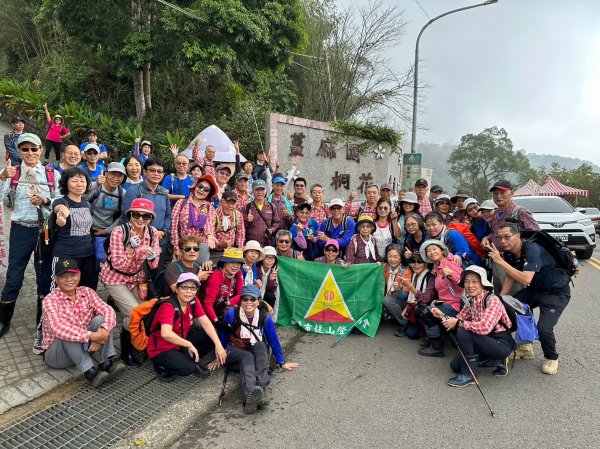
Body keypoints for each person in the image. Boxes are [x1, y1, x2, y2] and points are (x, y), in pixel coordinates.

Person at [487, 222, 570, 375]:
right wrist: (500, 299)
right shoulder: (510, 252)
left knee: (544, 328)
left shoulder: (532, 249)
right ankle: (525, 346)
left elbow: (526, 279)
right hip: (535, 290)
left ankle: (551, 357)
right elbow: (511, 276)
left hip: (555, 292)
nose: (503, 241)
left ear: (517, 236)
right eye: (499, 238)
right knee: (508, 305)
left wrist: (500, 262)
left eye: (507, 237)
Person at [0, 133, 60, 340]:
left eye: (34, 149)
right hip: (21, 229)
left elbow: (61, 202)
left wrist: (44, 200)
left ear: (41, 150)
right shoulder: (12, 172)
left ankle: (42, 322)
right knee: (14, 275)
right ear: (19, 151)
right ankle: (3, 320)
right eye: (25, 149)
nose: (30, 153)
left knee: (44, 276)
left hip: (44, 230)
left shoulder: (52, 174)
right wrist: (3, 177)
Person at [41, 259, 124, 388]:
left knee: (101, 320)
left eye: (73, 275)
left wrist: (103, 332)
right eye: (63, 276)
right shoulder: (50, 300)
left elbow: (108, 310)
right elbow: (58, 328)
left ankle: (106, 363)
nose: (69, 279)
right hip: (57, 355)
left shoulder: (87, 292)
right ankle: (90, 373)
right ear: (55, 278)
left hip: (84, 347)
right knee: (67, 332)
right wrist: (92, 336)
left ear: (79, 275)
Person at [218, 284, 299, 414]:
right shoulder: (232, 314)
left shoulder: (264, 318)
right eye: (245, 299)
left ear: (258, 301)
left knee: (261, 345)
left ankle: (259, 390)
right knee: (247, 356)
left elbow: (273, 341)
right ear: (241, 300)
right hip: (234, 352)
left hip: (253, 353)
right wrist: (219, 354)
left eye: (252, 299)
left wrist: (281, 362)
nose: (248, 302)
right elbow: (223, 334)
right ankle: (250, 395)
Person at [100, 198, 161, 365]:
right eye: (136, 215)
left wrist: (151, 255)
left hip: (137, 277)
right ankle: (125, 351)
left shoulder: (153, 232)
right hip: (115, 277)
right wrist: (137, 251)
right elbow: (119, 263)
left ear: (151, 218)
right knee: (134, 312)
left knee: (144, 311)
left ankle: (137, 344)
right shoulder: (119, 232)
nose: (140, 219)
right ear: (130, 215)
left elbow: (154, 264)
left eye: (146, 216)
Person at [436, 265, 516, 387]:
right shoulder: (471, 299)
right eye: (467, 281)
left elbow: (484, 328)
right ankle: (496, 361)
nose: (470, 285)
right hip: (486, 340)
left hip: (501, 343)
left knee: (463, 332)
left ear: (483, 283)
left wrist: (458, 323)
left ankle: (469, 375)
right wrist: (442, 316)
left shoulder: (492, 300)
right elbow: (459, 319)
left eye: (475, 281)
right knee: (455, 366)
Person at [147, 273, 227, 381]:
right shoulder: (168, 306)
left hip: (180, 343)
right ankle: (161, 364)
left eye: (193, 288)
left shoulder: (193, 301)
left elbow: (206, 323)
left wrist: (219, 345)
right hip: (162, 348)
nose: (189, 291)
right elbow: (165, 333)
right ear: (177, 289)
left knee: (210, 334)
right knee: (188, 368)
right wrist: (188, 344)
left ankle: (186, 358)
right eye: (184, 287)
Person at [482, 180, 539, 293]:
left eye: (502, 193)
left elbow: (536, 235)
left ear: (512, 193)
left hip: (513, 263)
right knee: (500, 295)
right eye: (495, 193)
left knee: (514, 298)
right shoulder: (496, 213)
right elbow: (495, 232)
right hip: (497, 260)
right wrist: (487, 238)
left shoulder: (520, 212)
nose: (498, 196)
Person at [122, 158, 172, 275]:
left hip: (160, 240)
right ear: (144, 172)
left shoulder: (163, 193)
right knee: (139, 275)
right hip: (139, 242)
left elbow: (168, 215)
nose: (156, 174)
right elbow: (127, 216)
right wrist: (150, 233)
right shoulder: (135, 191)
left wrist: (163, 232)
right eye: (152, 170)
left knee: (158, 274)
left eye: (160, 171)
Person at [52, 167, 97, 290]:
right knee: (62, 290)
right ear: (66, 183)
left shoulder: (87, 204)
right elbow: (58, 208)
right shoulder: (60, 202)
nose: (79, 184)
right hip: (66, 255)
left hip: (88, 255)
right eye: (74, 180)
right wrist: (62, 214)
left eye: (82, 181)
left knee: (87, 289)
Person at [416, 240, 463, 357]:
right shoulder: (437, 269)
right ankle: (438, 337)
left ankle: (437, 347)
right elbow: (443, 291)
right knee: (419, 309)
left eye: (434, 249)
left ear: (442, 251)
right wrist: (437, 301)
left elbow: (464, 285)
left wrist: (452, 273)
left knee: (426, 312)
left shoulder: (450, 264)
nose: (431, 252)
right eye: (428, 251)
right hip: (446, 303)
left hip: (456, 305)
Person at [170, 175, 218, 264]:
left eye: (206, 190)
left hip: (201, 246)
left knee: (200, 274)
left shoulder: (209, 207)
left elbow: (209, 223)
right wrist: (176, 247)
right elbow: (174, 227)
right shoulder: (181, 203)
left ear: (208, 193)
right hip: (185, 246)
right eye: (200, 186)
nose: (202, 190)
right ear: (195, 186)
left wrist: (210, 235)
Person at [89, 162, 127, 261]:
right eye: (112, 174)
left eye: (120, 175)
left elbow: (122, 216)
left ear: (123, 178)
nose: (116, 178)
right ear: (106, 173)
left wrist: (107, 231)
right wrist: (96, 184)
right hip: (88, 230)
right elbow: (82, 199)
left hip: (106, 233)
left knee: (102, 260)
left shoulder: (122, 193)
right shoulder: (95, 186)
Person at [203, 248, 245, 324]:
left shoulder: (238, 273)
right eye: (232, 262)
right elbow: (208, 304)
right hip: (209, 312)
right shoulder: (216, 275)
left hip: (224, 307)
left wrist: (227, 303)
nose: (235, 266)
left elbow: (242, 294)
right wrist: (216, 321)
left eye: (238, 263)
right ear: (224, 263)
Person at [399, 254, 434, 344]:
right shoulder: (414, 274)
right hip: (414, 305)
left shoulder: (431, 277)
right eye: (413, 261)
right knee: (399, 301)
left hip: (426, 308)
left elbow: (426, 299)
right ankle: (408, 323)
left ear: (426, 264)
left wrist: (410, 287)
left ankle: (430, 334)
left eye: (420, 261)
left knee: (412, 334)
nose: (416, 264)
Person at [381, 245, 414, 337]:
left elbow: (404, 296)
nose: (392, 259)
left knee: (387, 300)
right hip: (393, 297)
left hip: (406, 301)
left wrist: (398, 288)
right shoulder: (385, 267)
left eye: (396, 257)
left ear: (401, 258)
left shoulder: (406, 271)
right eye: (390, 256)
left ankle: (404, 322)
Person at [244, 180, 281, 247]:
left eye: (262, 189)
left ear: (266, 190)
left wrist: (271, 230)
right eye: (257, 189)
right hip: (251, 243)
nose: (260, 192)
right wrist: (247, 220)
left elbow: (277, 222)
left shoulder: (271, 206)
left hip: (267, 243)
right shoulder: (247, 207)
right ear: (252, 190)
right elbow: (241, 226)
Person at [213, 190, 245, 258]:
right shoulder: (213, 214)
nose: (230, 206)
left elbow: (241, 235)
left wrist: (239, 251)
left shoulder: (238, 215)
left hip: (232, 251)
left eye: (233, 203)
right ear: (221, 201)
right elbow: (209, 235)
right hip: (214, 252)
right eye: (227, 202)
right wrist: (220, 245)